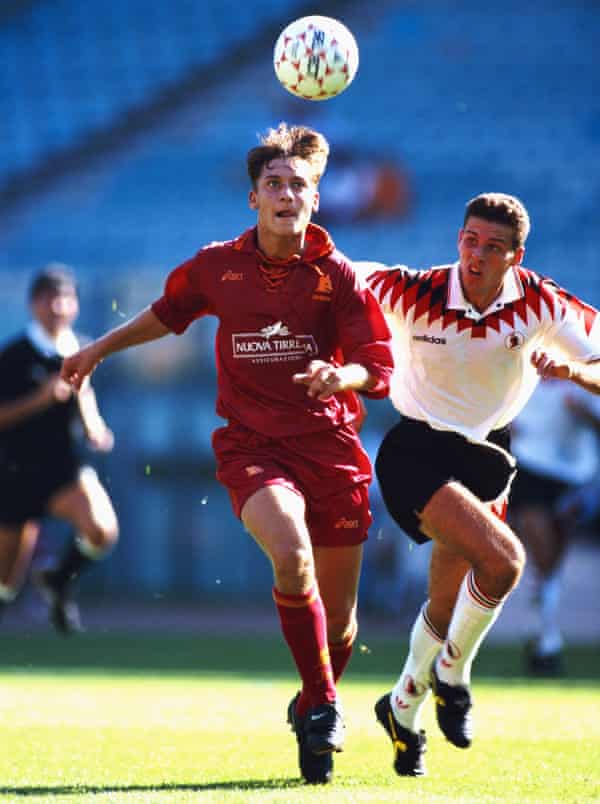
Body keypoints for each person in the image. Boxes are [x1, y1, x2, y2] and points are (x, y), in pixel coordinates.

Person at [60, 123, 393, 785]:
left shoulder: (338, 274)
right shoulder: (218, 265)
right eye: (274, 183)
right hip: (253, 448)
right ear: (253, 198)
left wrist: (342, 377)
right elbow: (168, 312)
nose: (286, 193)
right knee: (290, 550)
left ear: (316, 200)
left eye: (298, 184)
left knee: (343, 622)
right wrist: (98, 348)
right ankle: (326, 704)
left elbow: (377, 364)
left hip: (330, 451)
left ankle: (308, 700)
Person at [355, 192, 600, 777]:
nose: (477, 254)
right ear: (457, 238)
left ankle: (401, 709)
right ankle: (454, 680)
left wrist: (575, 372)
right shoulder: (413, 289)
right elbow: (339, 273)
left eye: (493, 246)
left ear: (517, 255)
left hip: (489, 456)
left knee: (446, 602)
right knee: (504, 563)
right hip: (415, 449)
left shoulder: (542, 301)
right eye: (470, 239)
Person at [0, 265, 118, 635]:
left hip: (65, 469)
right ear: (34, 304)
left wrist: (95, 426)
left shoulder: (79, 348)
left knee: (101, 530)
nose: (59, 306)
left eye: (66, 299)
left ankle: (58, 579)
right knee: (5, 582)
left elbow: (85, 393)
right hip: (15, 472)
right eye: (51, 298)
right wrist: (40, 399)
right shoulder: (14, 355)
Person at [510, 379, 600, 675]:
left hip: (573, 472)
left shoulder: (584, 370)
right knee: (541, 550)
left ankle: (544, 635)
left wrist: (582, 413)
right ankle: (545, 637)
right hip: (529, 465)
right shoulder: (523, 370)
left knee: (552, 563)